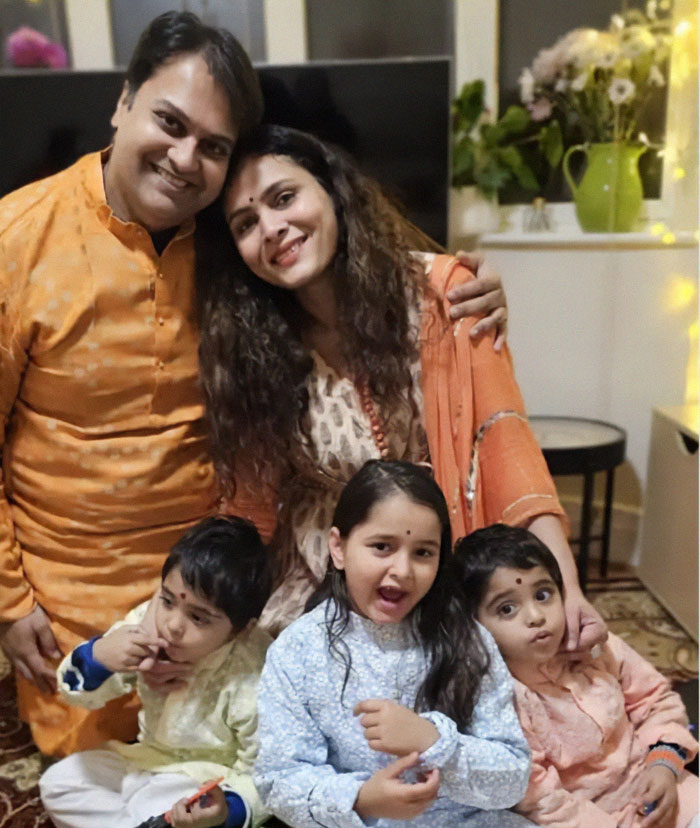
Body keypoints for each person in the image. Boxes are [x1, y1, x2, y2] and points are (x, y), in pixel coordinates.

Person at [0, 12, 508, 756]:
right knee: (106, 765)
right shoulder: (16, 240)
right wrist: (11, 603)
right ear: (123, 102)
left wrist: (465, 283)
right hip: (75, 592)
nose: (184, 160)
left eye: (213, 147)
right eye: (169, 123)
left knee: (279, 751)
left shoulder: (232, 242)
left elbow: (356, 267)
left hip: (238, 576)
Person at [196, 123, 605, 651]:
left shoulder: (447, 296)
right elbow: (248, 513)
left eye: (285, 197)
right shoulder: (252, 348)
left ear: (334, 191)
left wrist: (566, 587)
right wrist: (195, 616)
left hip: (443, 564)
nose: (272, 227)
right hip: (322, 587)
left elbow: (504, 445)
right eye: (246, 223)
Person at [254, 459, 534, 828]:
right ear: (338, 548)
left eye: (423, 552)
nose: (402, 571)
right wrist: (363, 799)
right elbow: (279, 780)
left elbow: (512, 780)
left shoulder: (467, 640)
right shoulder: (297, 652)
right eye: (382, 546)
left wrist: (434, 743)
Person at [454, 524, 698, 828]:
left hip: (659, 787)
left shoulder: (593, 650)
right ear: (475, 627)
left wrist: (664, 765)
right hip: (587, 818)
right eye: (507, 609)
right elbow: (542, 798)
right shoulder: (500, 702)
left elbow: (655, 699)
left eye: (543, 595)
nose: (535, 616)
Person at [39, 515, 272, 828]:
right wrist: (100, 657)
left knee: (152, 807)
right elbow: (74, 694)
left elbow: (266, 775)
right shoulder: (147, 625)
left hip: (204, 780)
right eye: (167, 600)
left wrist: (225, 812)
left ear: (240, 630)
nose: (172, 625)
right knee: (58, 783)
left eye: (198, 618)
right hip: (143, 759)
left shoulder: (256, 671)